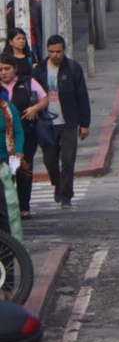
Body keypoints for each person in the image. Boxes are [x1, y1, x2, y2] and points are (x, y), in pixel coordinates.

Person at [32, 35, 90, 209]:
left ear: (64, 50)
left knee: (68, 159)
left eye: (58, 51)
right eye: (51, 52)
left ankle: (66, 196)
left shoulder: (73, 68)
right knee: (49, 160)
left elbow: (82, 97)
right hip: (46, 123)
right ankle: (58, 184)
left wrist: (84, 123)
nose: (55, 55)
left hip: (69, 122)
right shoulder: (39, 70)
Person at [0, 54, 47, 221]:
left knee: (22, 172)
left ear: (15, 69)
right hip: (4, 145)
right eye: (0, 70)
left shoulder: (25, 83)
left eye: (7, 69)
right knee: (6, 182)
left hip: (22, 138)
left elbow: (44, 98)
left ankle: (24, 208)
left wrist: (34, 109)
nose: (3, 73)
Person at [0, 85, 24, 241]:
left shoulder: (7, 108)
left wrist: (19, 151)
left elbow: (18, 131)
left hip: (3, 166)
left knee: (7, 211)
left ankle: (9, 257)